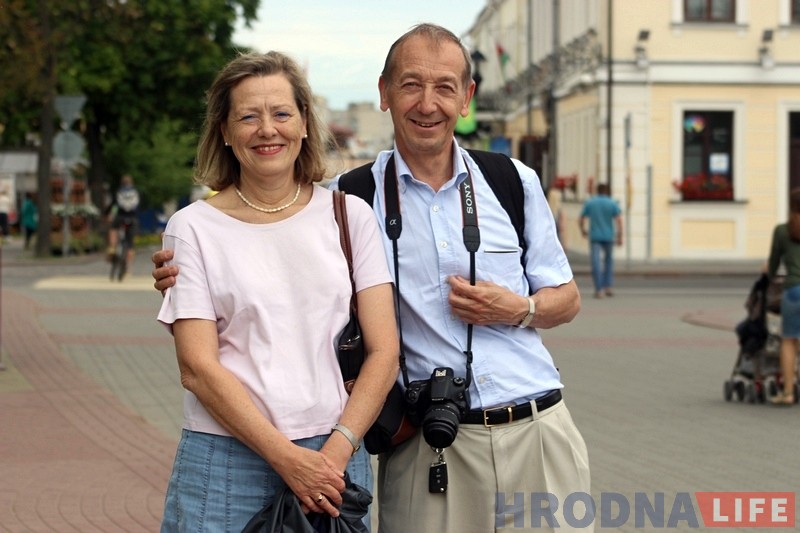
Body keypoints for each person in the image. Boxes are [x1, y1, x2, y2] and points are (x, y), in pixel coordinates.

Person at [153, 25, 590, 532]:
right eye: (410, 85)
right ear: (384, 93)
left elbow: (567, 297)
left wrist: (519, 308)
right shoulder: (353, 198)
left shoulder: (510, 181)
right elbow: (263, 251)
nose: (428, 104)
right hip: (428, 443)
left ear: (466, 98)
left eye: (445, 87)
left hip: (536, 428)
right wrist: (178, 266)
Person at [154, 51, 400, 531]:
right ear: (225, 131)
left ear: (304, 124)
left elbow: (385, 351)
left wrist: (333, 452)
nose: (268, 129)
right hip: (226, 460)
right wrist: (285, 458)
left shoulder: (351, 218)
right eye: (248, 116)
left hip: (334, 453)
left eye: (282, 113)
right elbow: (198, 369)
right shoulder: (191, 229)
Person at [766, 187, 800, 406]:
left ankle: (788, 392)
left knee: (788, 340)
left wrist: (767, 272)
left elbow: (773, 266)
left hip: (793, 290)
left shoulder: (782, 231)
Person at [579, 183, 622, 299]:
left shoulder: (591, 203)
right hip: (608, 236)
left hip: (595, 236)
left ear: (597, 191)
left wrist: (583, 230)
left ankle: (599, 289)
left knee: (596, 262)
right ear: (607, 191)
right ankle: (608, 286)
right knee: (608, 261)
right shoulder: (612, 203)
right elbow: (619, 220)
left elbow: (582, 218)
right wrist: (620, 236)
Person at [106, 174, 140, 271]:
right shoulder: (136, 192)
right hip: (132, 219)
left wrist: (109, 215)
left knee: (113, 229)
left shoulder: (119, 191)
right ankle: (128, 266)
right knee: (130, 244)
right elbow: (139, 206)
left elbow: (113, 205)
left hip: (120, 217)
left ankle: (112, 247)